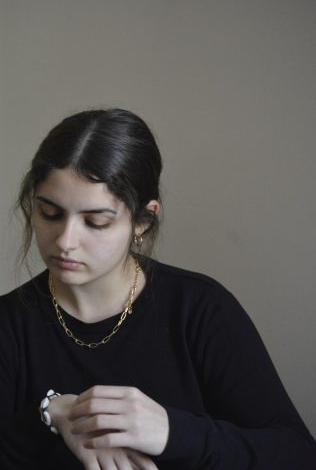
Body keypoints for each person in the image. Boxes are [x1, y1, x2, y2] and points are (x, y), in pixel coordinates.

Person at [0, 108, 315, 470]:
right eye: (50, 214)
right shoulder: (8, 324)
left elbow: (297, 454)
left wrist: (171, 431)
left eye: (96, 222)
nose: (66, 241)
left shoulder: (200, 310)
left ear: (143, 221)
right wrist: (52, 414)